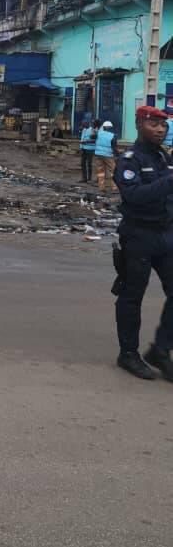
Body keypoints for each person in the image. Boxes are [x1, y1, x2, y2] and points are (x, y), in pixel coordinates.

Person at [113, 105, 173, 381]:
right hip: (138, 235)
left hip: (165, 234)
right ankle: (128, 354)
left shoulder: (164, 158)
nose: (160, 130)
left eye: (164, 125)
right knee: (132, 296)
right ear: (139, 124)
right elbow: (134, 195)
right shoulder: (129, 159)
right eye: (154, 124)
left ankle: (160, 350)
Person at [95, 120, 119, 192]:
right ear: (110, 128)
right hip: (108, 155)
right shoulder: (113, 136)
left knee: (100, 171)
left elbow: (92, 137)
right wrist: (118, 155)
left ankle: (101, 187)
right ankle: (114, 187)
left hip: (98, 154)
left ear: (104, 127)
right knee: (113, 170)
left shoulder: (99, 133)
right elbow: (114, 147)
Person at [79, 118, 100, 183]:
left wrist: (86, 141)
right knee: (82, 164)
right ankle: (84, 178)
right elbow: (82, 139)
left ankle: (89, 178)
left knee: (89, 164)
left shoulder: (93, 130)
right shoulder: (84, 130)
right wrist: (81, 147)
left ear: (87, 124)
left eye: (83, 124)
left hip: (90, 149)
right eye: (82, 124)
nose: (82, 126)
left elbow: (95, 140)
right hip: (83, 149)